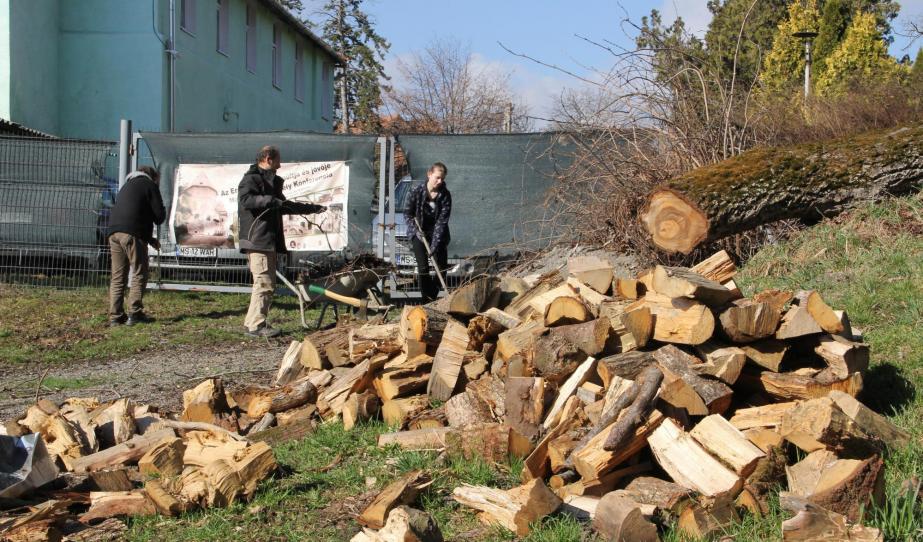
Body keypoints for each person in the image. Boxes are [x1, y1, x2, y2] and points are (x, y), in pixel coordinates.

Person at [238, 146, 326, 337]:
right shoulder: (251, 179)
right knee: (264, 282)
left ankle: (252, 323)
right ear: (268, 159)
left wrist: (312, 208)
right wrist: (271, 200)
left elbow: (283, 206)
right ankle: (256, 326)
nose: (281, 164)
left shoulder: (270, 181)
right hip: (257, 240)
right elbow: (246, 200)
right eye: (278, 160)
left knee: (264, 283)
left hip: (267, 240)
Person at [107, 165, 166, 326]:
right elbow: (159, 216)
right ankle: (135, 312)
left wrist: (150, 239)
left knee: (118, 276)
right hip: (132, 234)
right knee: (139, 272)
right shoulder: (149, 185)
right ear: (154, 177)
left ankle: (115, 316)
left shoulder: (127, 186)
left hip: (113, 233)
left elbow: (132, 214)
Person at [404, 162, 452, 302]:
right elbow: (407, 214)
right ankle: (426, 300)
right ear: (429, 174)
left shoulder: (445, 195)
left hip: (438, 233)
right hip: (419, 231)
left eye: (442, 178)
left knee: (441, 268)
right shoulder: (416, 191)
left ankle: (433, 293)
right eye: (437, 177)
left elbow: (442, 222)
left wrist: (435, 244)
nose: (440, 181)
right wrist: (416, 232)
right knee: (423, 268)